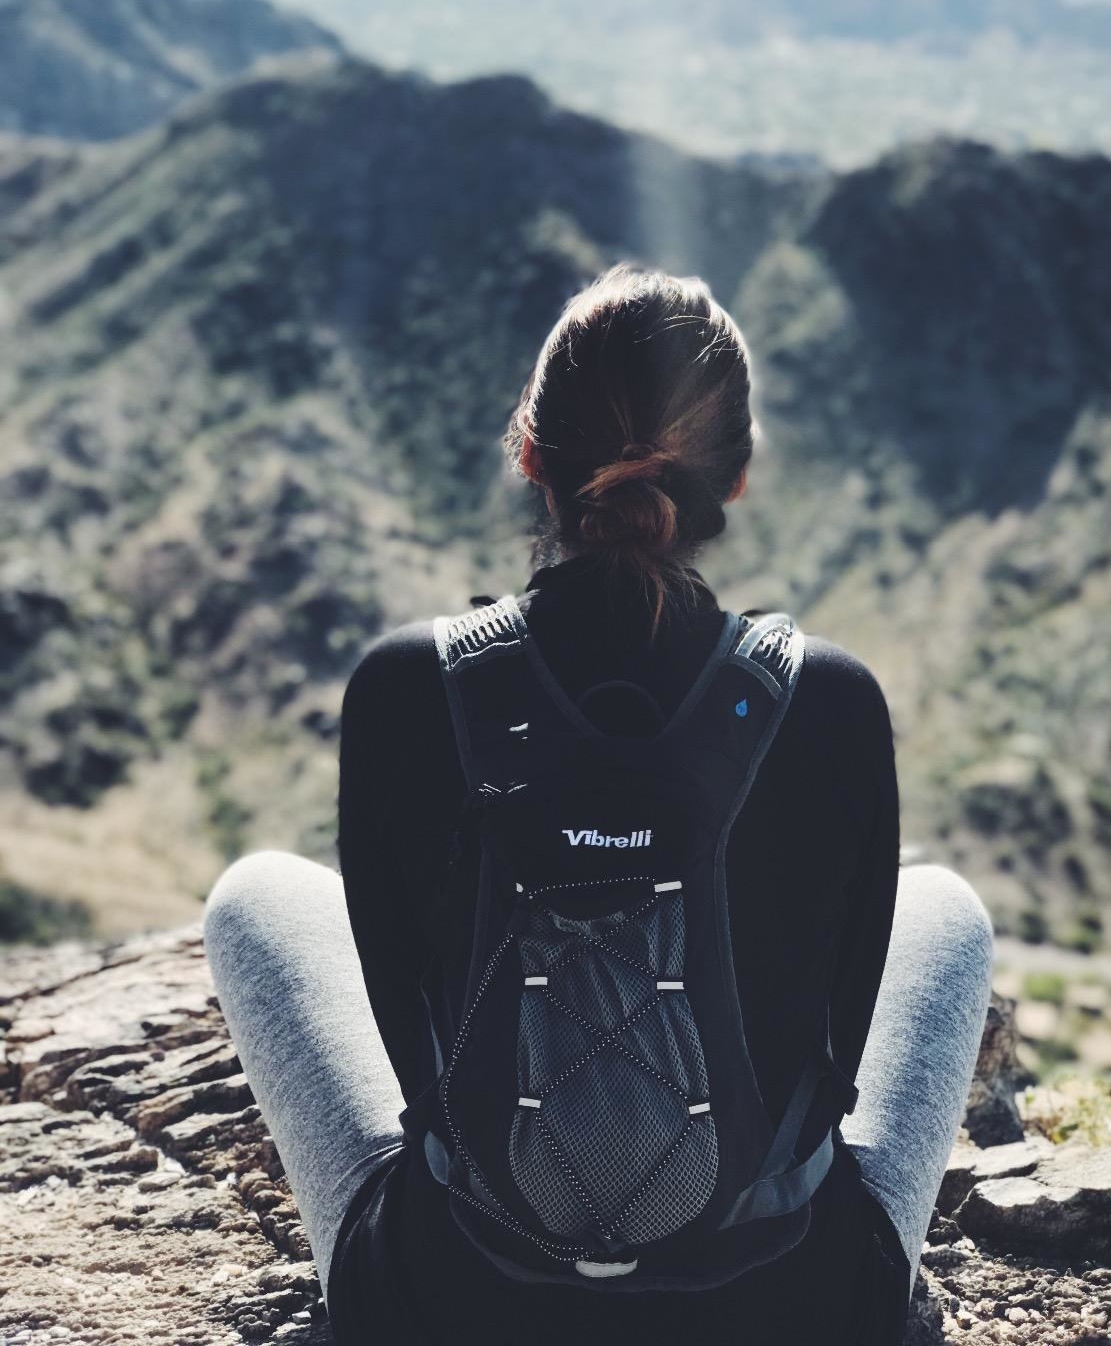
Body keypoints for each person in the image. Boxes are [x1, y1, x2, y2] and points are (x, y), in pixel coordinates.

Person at [203, 262, 994, 1345]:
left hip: (450, 1301)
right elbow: (837, 1047)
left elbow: (404, 1035)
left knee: (254, 893)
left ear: (531, 454)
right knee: (946, 902)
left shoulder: (402, 688)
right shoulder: (832, 701)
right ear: (741, 474)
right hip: (795, 1306)